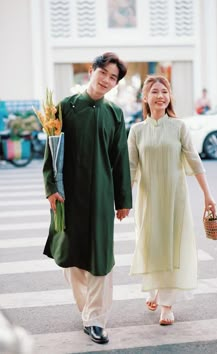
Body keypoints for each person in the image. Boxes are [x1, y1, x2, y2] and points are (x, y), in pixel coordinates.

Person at [42, 52, 132, 344]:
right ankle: (87, 312)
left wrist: (123, 200)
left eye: (113, 78)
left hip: (102, 196)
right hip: (69, 196)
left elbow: (120, 158)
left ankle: (95, 319)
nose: (106, 80)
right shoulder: (64, 108)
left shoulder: (115, 114)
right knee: (72, 258)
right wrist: (51, 187)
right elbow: (51, 153)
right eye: (103, 73)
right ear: (91, 71)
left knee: (101, 257)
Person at [128, 75, 216, 326]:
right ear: (145, 98)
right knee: (151, 245)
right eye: (154, 91)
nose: (160, 96)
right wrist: (120, 201)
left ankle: (166, 304)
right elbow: (130, 168)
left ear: (169, 97)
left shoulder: (179, 127)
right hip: (148, 199)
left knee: (172, 246)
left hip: (175, 198)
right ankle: (155, 287)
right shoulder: (136, 131)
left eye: (164, 92)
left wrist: (208, 196)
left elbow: (194, 160)